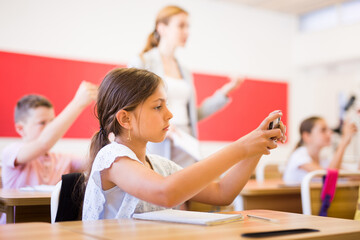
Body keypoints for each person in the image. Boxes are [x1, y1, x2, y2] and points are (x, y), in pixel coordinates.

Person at [82, 68, 285, 220]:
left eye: (166, 105)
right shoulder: (112, 160)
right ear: (125, 119)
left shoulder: (161, 166)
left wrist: (257, 146)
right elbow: (166, 193)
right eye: (158, 107)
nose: (169, 114)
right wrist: (241, 147)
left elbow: (223, 192)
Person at [129, 5, 243, 167]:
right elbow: (133, 108)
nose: (187, 32)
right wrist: (160, 125)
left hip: (185, 141)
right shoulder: (143, 62)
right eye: (181, 26)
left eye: (188, 27)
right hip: (158, 142)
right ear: (162, 28)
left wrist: (226, 91)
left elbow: (193, 115)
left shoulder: (185, 71)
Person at [1, 81, 98, 189]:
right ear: (20, 128)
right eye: (42, 123)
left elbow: (97, 162)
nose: (50, 127)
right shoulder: (10, 152)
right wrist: (78, 103)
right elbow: (43, 144)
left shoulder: (64, 159)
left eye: (52, 122)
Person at [283, 116, 357, 184]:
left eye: (328, 129)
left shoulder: (324, 158)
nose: (330, 133)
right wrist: (343, 143)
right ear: (307, 136)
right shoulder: (298, 156)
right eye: (323, 130)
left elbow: (353, 175)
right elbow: (329, 177)